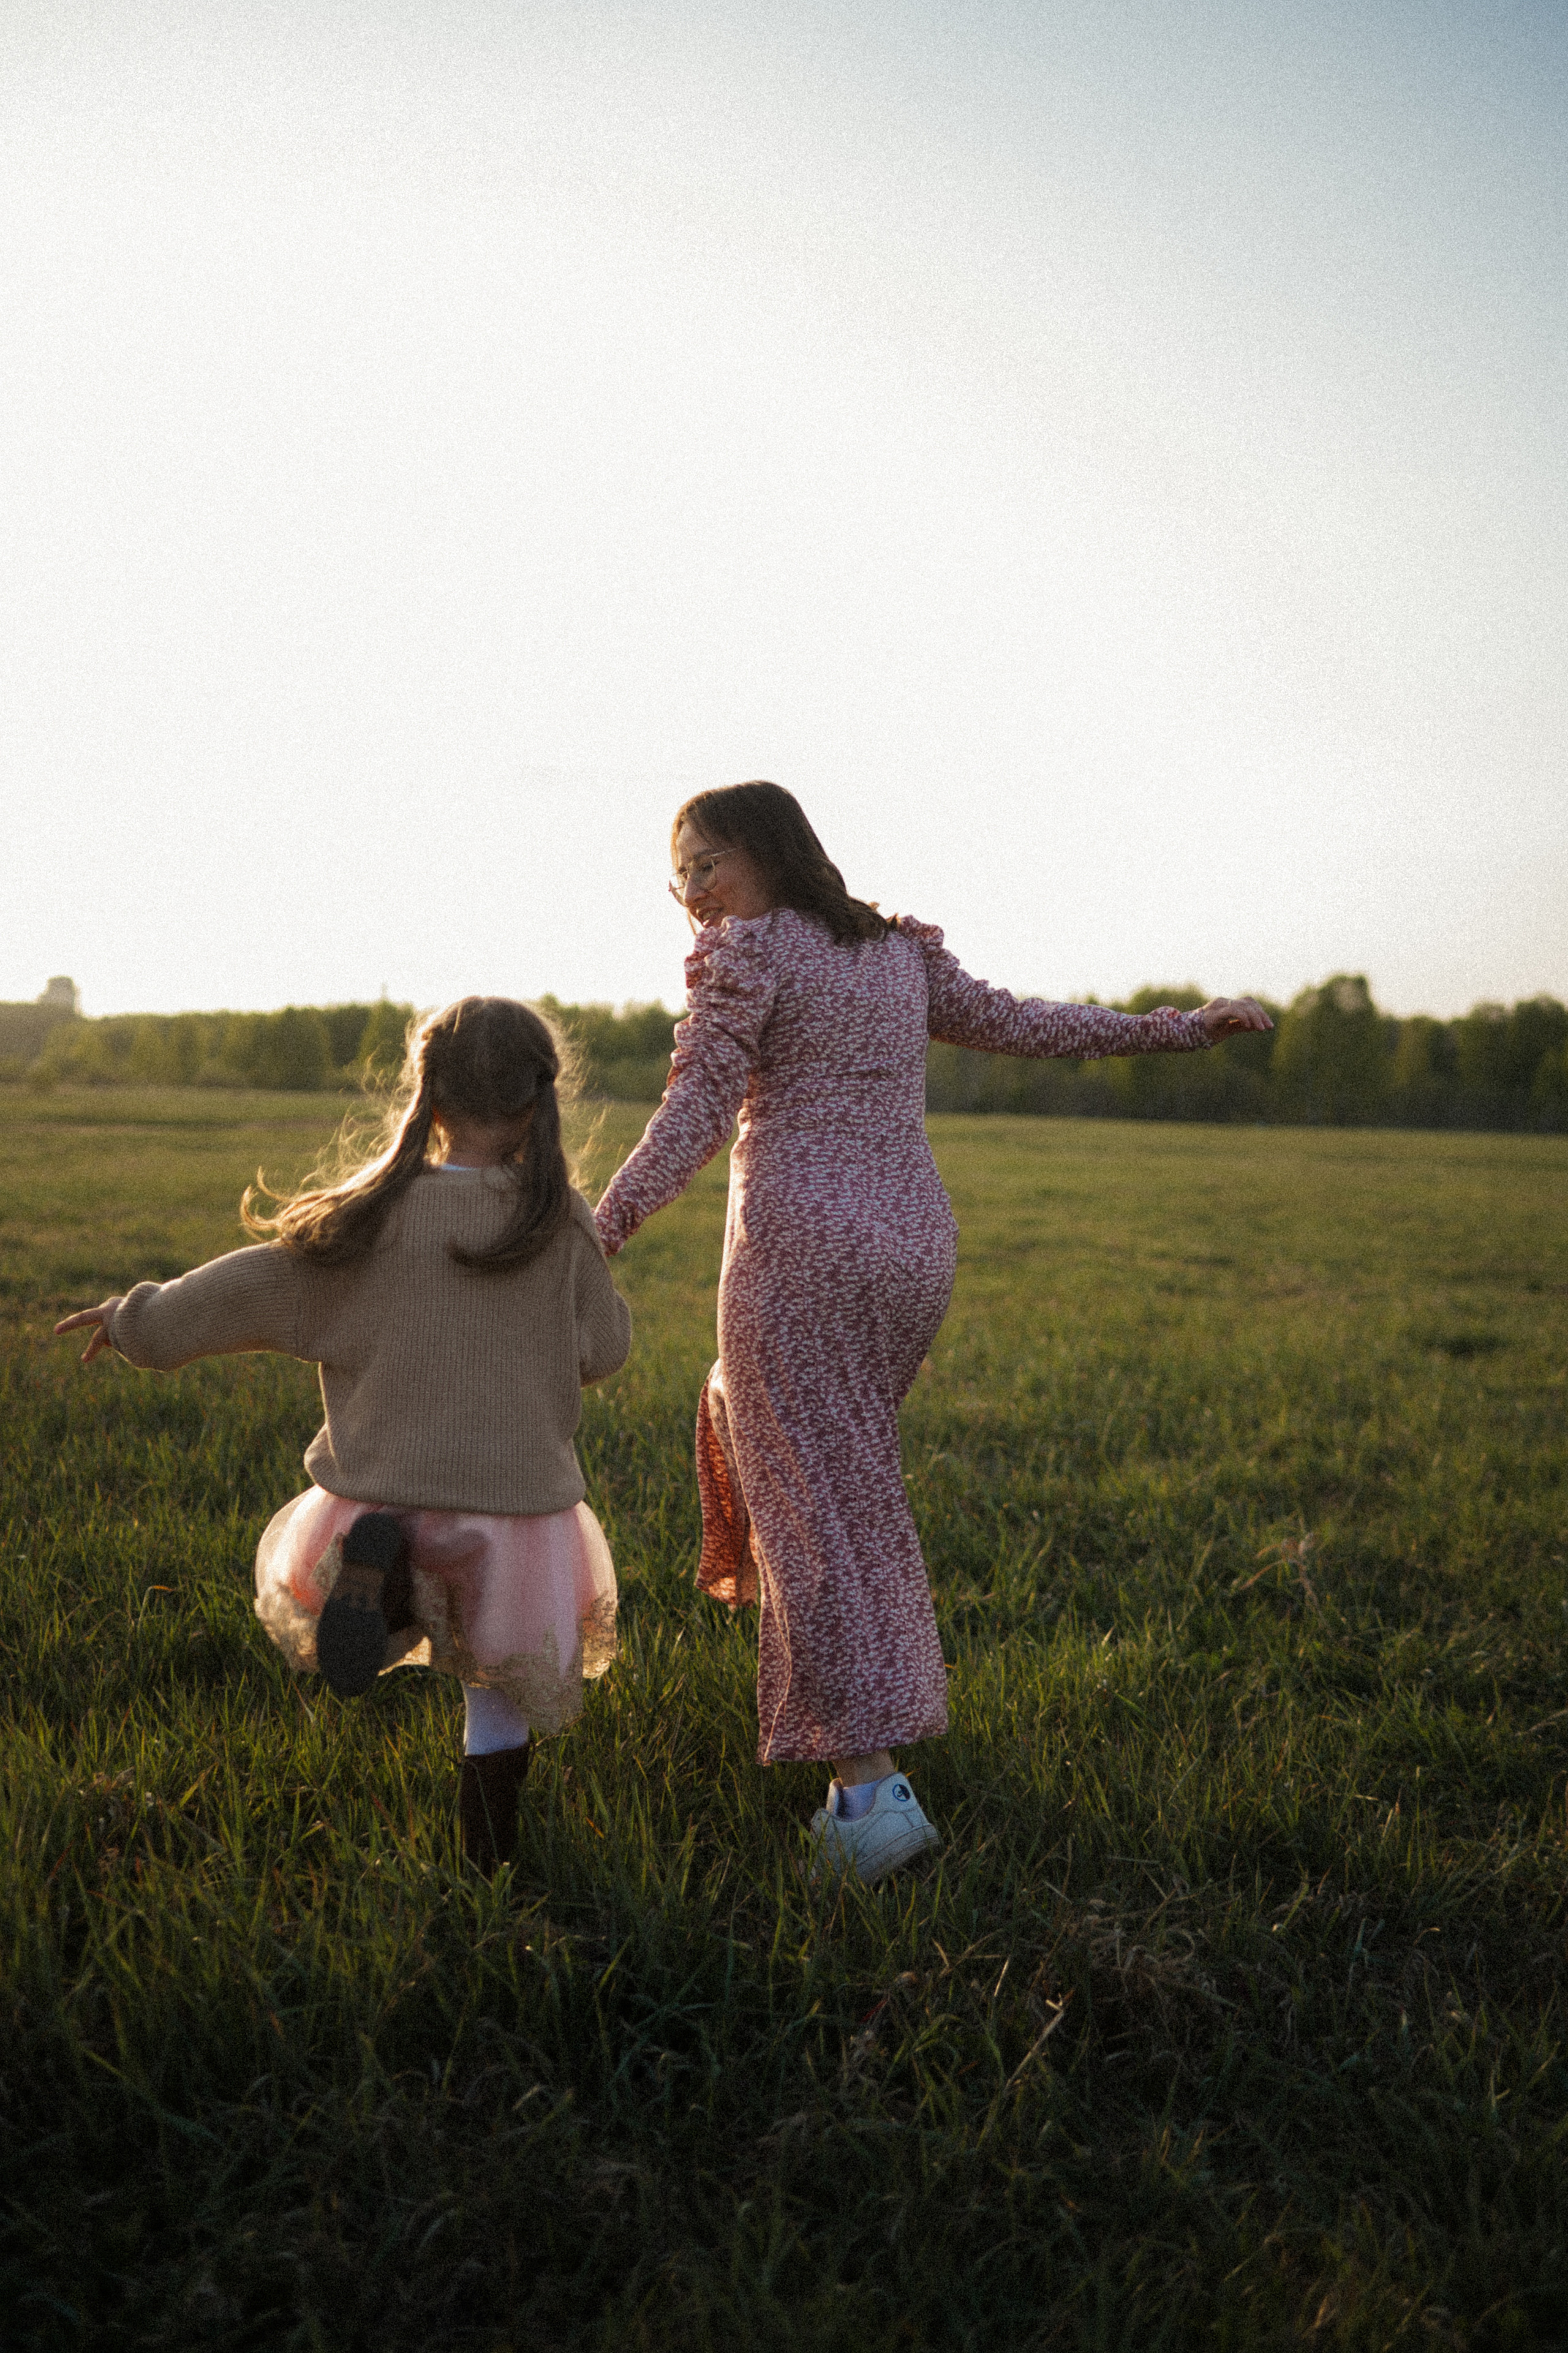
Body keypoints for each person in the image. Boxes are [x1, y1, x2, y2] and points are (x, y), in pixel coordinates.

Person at [594, 781, 1271, 1885]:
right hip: (909, 1256)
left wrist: (604, 1223)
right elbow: (1028, 1024)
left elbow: (699, 1107)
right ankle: (868, 1735)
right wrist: (1181, 1029)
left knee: (810, 1508)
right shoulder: (895, 954)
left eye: (708, 864)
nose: (692, 894)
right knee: (817, 1471)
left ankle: (867, 1794)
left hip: (800, 1255)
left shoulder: (751, 952)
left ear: (772, 851)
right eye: (679, 876)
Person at [54, 996, 631, 1873]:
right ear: (535, 1103)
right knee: (499, 1686)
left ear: (430, 1097)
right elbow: (605, 1350)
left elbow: (251, 1288)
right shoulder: (559, 1220)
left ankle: (384, 1584)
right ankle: (488, 1866)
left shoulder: (372, 1216)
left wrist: (139, 1322)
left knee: (407, 1560)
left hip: (381, 1494)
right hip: (512, 1514)